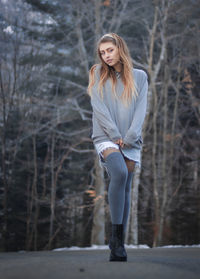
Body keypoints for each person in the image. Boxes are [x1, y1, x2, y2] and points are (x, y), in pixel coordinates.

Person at [87, 33, 148, 262]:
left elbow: (141, 108)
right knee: (119, 173)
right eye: (103, 52)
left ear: (119, 48)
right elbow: (98, 106)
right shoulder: (97, 72)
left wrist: (131, 136)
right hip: (105, 136)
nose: (106, 56)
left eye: (109, 50)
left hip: (131, 139)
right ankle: (115, 236)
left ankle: (118, 243)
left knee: (126, 187)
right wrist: (114, 134)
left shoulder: (140, 77)